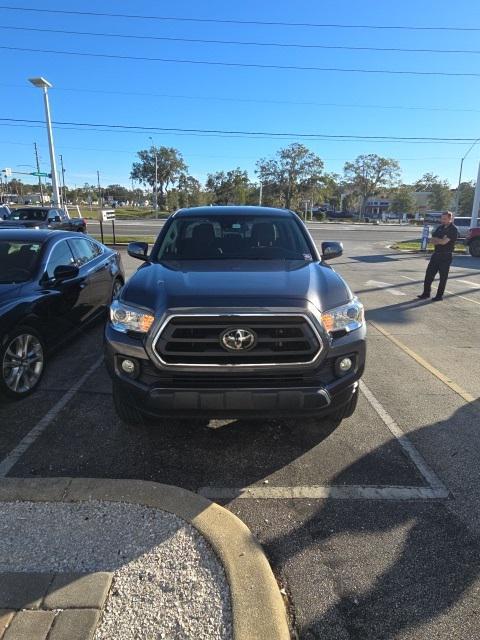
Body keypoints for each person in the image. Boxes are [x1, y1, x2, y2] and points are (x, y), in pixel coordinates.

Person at [418, 211, 458, 302]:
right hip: (436, 254)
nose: (442, 220)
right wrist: (440, 239)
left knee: (443, 277)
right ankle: (426, 293)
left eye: (444, 219)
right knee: (429, 275)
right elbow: (432, 240)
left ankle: (439, 296)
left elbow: (444, 242)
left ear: (450, 218)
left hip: (446, 256)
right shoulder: (440, 227)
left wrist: (439, 240)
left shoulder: (453, 229)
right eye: (442, 218)